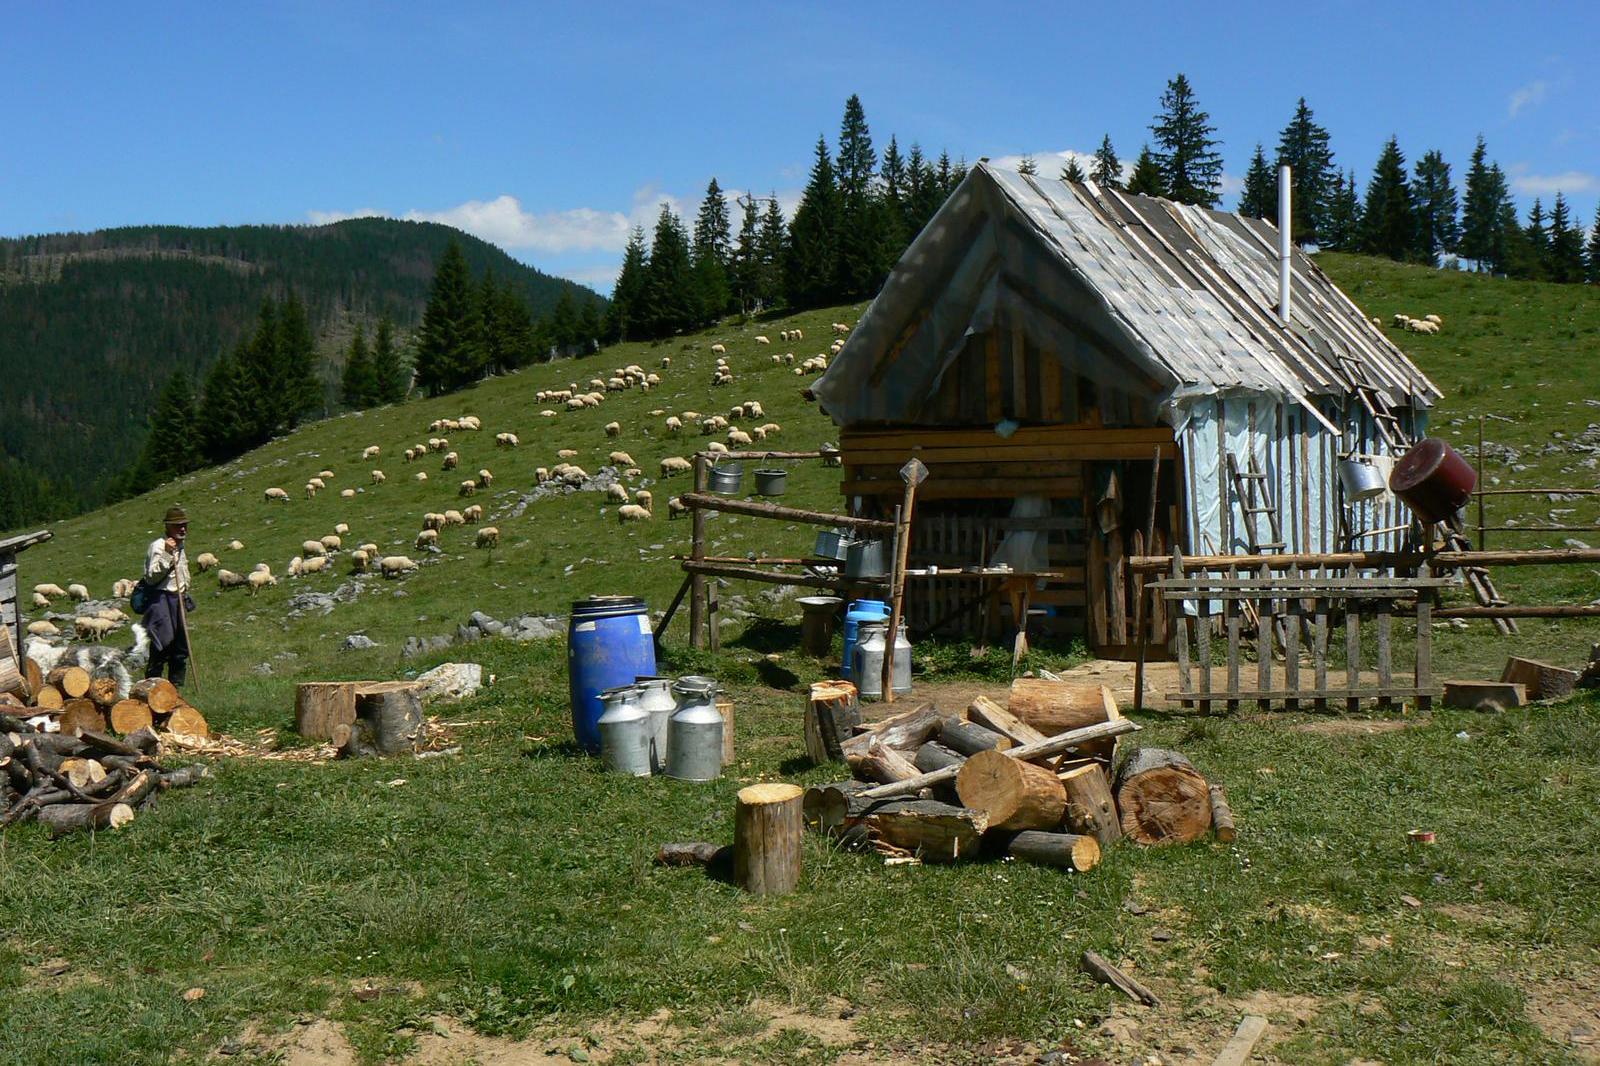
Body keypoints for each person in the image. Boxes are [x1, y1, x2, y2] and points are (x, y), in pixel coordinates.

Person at [141, 505, 196, 686]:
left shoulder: (180, 545)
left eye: (184, 525)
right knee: (162, 643)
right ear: (168, 527)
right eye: (178, 525)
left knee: (180, 646)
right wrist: (166, 553)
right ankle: (151, 686)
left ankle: (176, 688)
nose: (182, 529)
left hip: (178, 598)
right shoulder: (157, 546)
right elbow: (151, 577)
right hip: (162, 599)